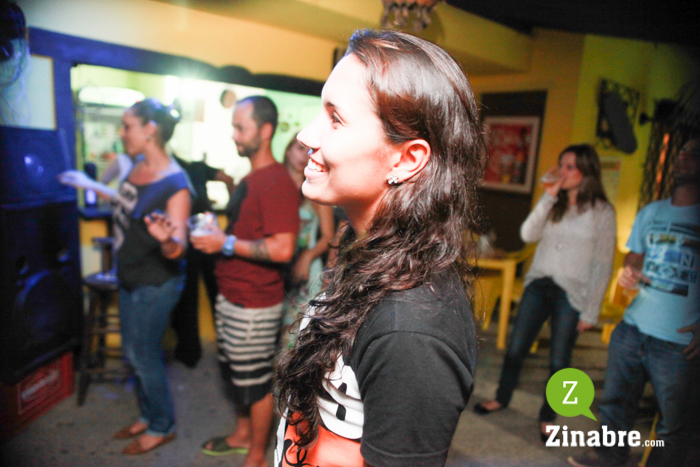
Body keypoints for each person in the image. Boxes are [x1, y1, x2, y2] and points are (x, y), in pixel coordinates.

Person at [273, 29, 482, 467]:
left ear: (406, 159)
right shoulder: (369, 248)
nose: (307, 136)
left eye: (336, 119)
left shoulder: (411, 328)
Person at [58, 98, 191, 455]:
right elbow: (126, 201)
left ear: (150, 130)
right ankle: (148, 416)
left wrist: (167, 241)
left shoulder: (175, 184)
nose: (121, 132)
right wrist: (90, 183)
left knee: (144, 355)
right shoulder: (137, 166)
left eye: (127, 125)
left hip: (156, 282)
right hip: (130, 275)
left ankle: (162, 426)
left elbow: (178, 248)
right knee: (135, 352)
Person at [569, 138, 700, 467]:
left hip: (680, 341)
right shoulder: (651, 212)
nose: (684, 157)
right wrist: (629, 272)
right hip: (632, 327)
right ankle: (609, 457)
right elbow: (635, 257)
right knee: (615, 403)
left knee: (674, 423)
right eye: (682, 151)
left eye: (694, 153)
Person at [474, 144, 617, 442]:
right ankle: (501, 397)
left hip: (572, 293)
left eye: (569, 167)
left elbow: (603, 264)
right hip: (539, 284)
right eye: (561, 165)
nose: (562, 171)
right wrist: (548, 196)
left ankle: (548, 417)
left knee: (559, 361)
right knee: (516, 348)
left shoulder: (603, 212)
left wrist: (591, 310)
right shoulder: (554, 202)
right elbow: (527, 234)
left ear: (586, 171)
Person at [190, 95, 299, 467]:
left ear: (265, 131)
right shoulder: (253, 178)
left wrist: (224, 242)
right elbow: (248, 229)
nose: (234, 134)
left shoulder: (276, 181)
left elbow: (283, 248)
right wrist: (220, 233)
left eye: (241, 127)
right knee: (235, 374)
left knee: (254, 382)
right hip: (234, 294)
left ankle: (256, 457)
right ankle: (241, 436)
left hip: (254, 302)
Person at [170, 153, 234, 368]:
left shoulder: (173, 170)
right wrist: (232, 210)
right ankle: (227, 350)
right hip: (203, 234)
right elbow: (228, 179)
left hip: (189, 237)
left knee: (188, 296)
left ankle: (189, 354)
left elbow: (227, 179)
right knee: (215, 292)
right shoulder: (197, 167)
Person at [281, 135, 335, 346]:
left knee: (293, 333)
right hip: (277, 266)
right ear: (287, 151)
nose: (305, 155)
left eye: (309, 151)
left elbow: (329, 236)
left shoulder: (314, 189)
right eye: (299, 148)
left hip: (304, 267)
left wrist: (308, 256)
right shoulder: (275, 186)